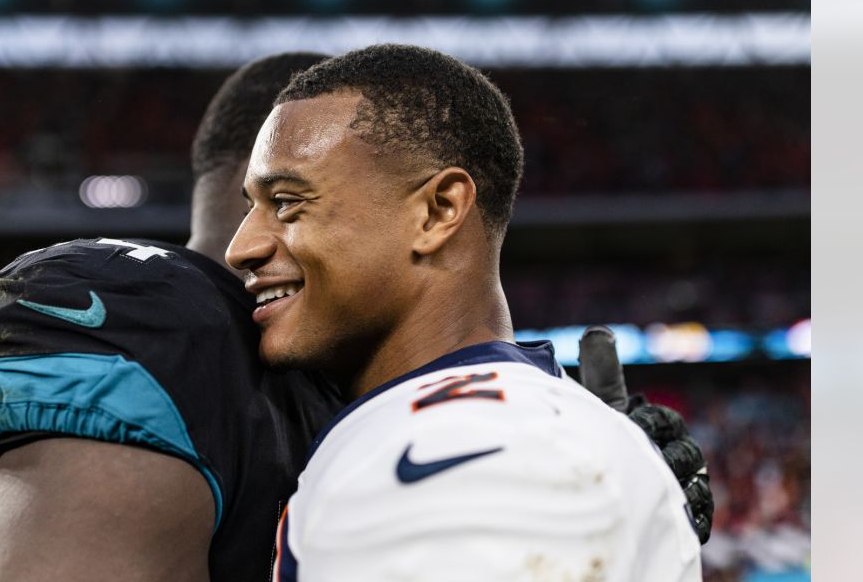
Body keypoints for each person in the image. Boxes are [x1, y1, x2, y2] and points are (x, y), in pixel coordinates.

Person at [0, 51, 710, 581]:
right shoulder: (158, 317)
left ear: (431, 211)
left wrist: (592, 493)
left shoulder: (460, 401)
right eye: (265, 202)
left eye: (291, 203)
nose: (254, 248)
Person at [227, 44, 705, 581]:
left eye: (288, 202)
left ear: (438, 211)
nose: (240, 248)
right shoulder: (528, 426)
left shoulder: (464, 447)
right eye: (251, 207)